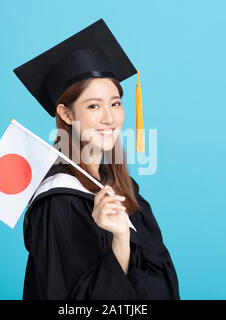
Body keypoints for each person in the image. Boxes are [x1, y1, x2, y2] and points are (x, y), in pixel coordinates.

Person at [13, 19, 180, 300]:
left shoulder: (122, 186)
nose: (109, 117)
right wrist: (121, 242)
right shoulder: (57, 203)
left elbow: (162, 278)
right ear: (66, 114)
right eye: (93, 106)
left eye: (115, 103)